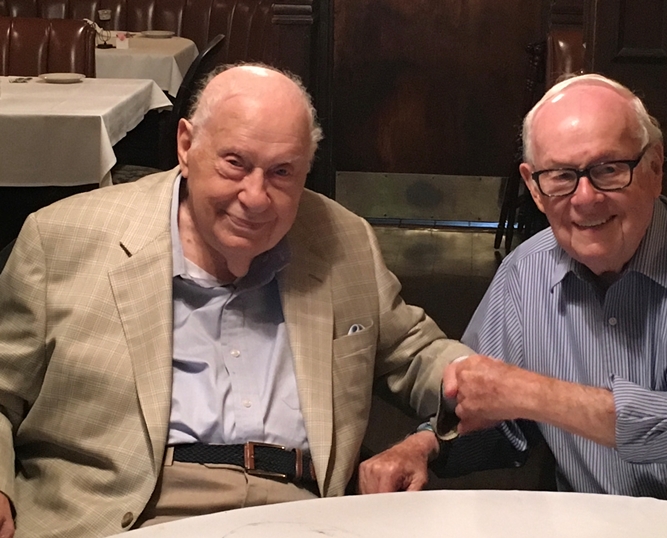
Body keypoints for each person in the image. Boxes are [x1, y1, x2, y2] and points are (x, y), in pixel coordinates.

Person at [0, 64, 472, 537]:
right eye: (235, 163)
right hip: (125, 514)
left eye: (282, 172)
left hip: (299, 514)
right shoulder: (62, 239)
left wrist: (466, 384)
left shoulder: (342, 241)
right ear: (186, 146)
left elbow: (415, 354)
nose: (256, 197)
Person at [359, 74, 667, 519]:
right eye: (561, 176)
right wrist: (423, 444)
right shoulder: (524, 273)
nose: (585, 197)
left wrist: (535, 393)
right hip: (596, 523)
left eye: (609, 169)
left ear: (655, 168)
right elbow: (502, 418)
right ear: (534, 187)